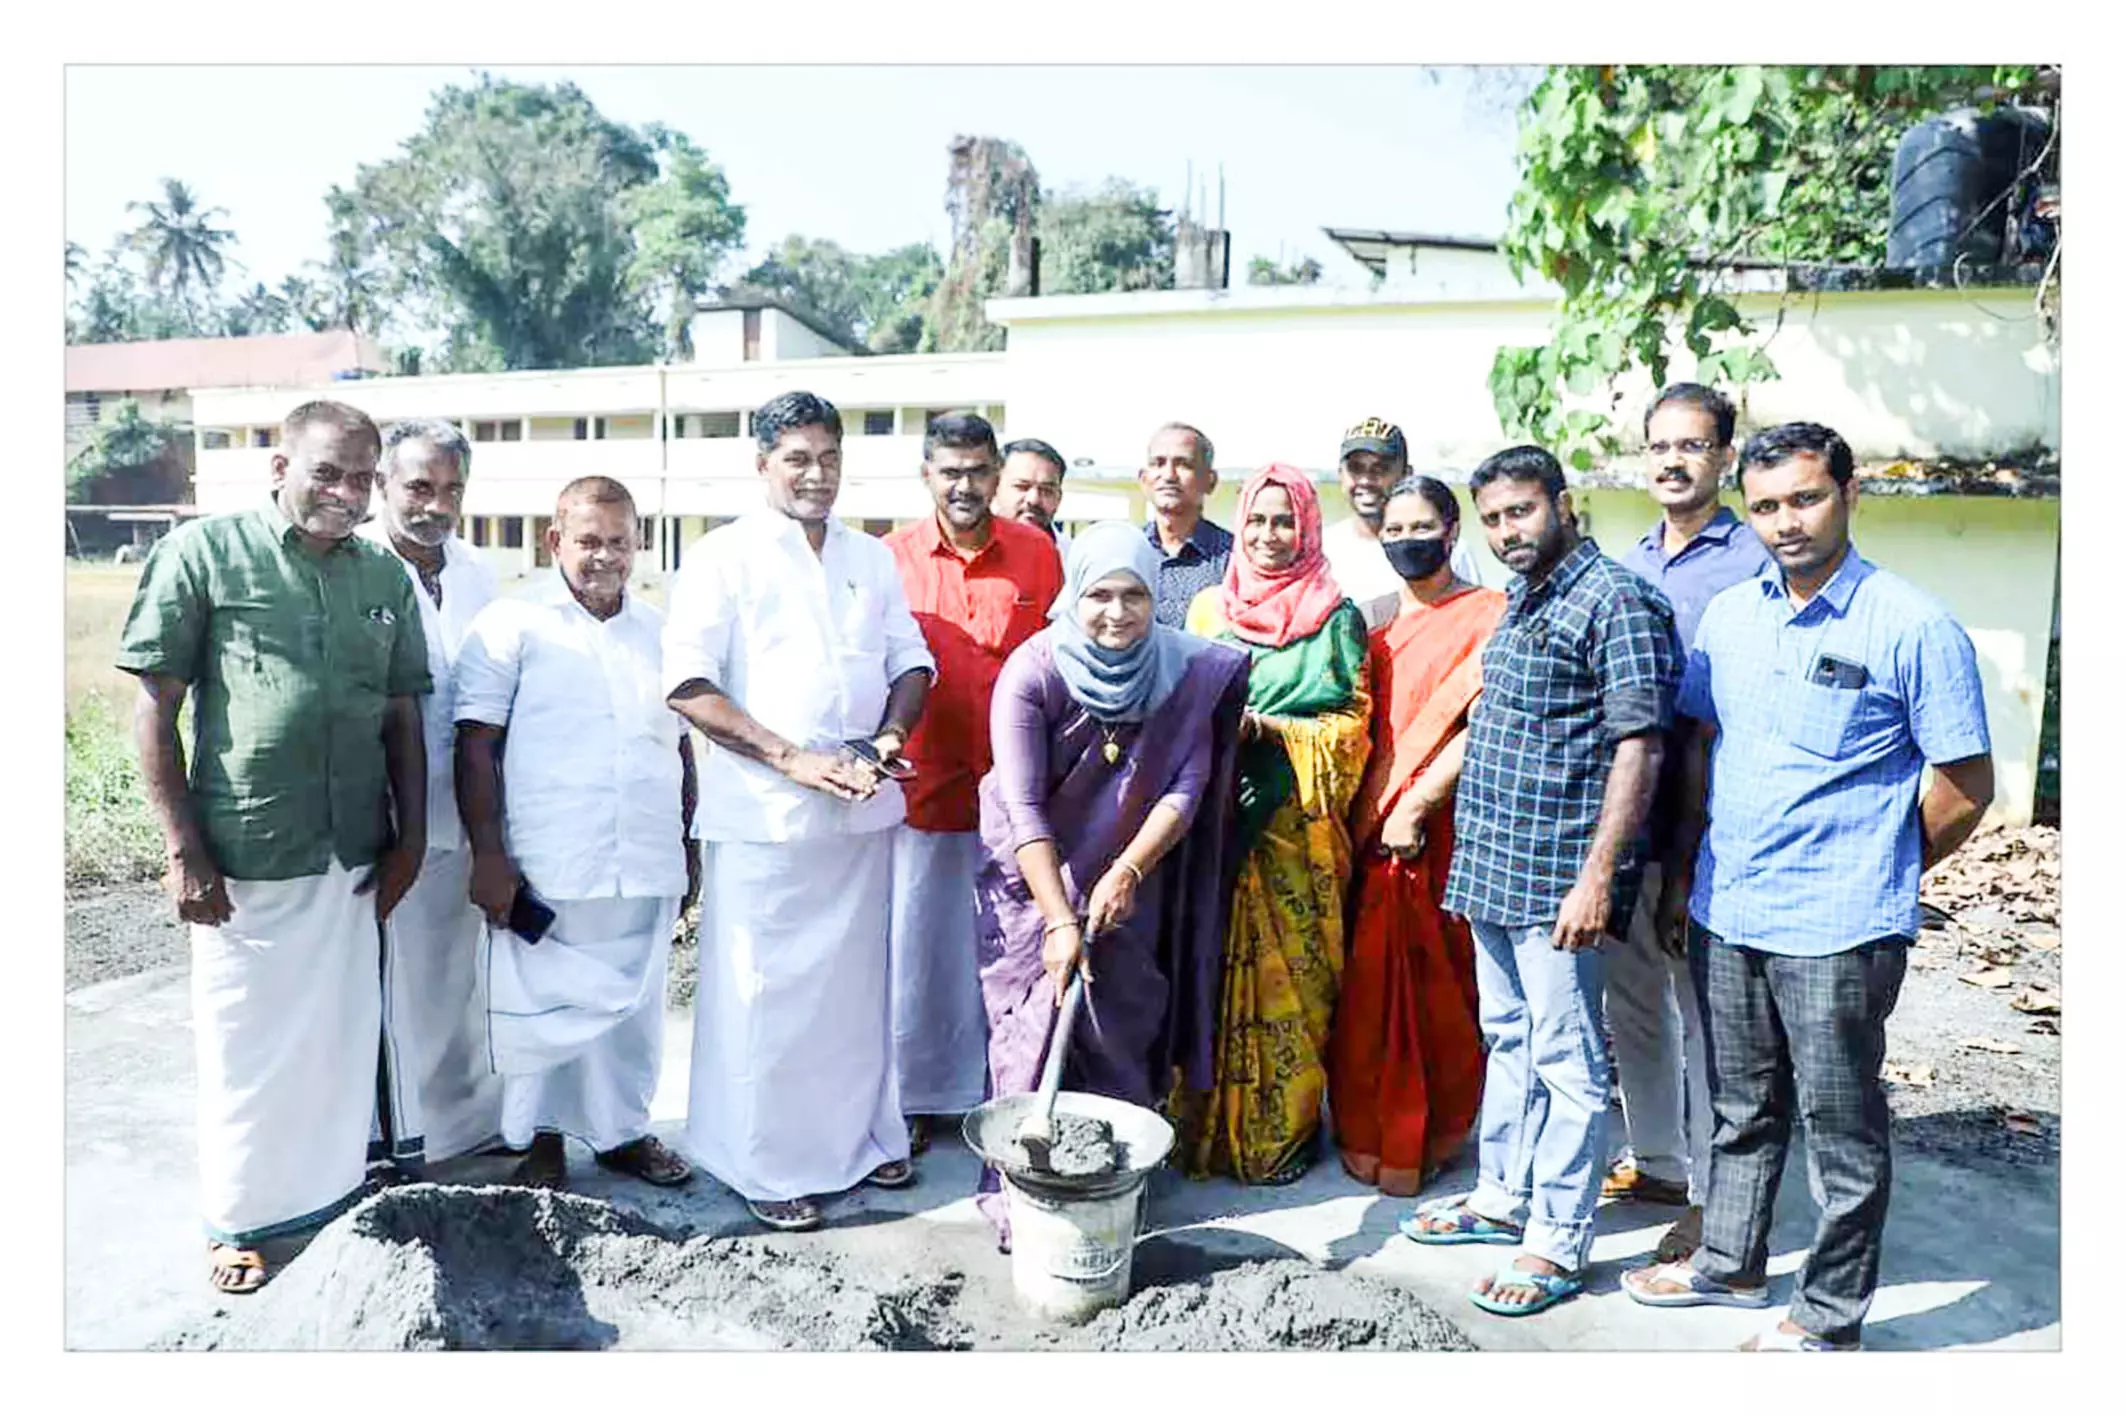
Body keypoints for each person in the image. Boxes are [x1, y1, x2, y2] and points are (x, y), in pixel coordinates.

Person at [1623, 423, 1995, 1352]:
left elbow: (1966, 784)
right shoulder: (1732, 619)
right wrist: (1688, 875)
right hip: (1729, 906)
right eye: (1766, 506)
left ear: (1850, 493)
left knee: (1841, 1126)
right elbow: (1704, 746)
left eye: (1805, 498)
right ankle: (1731, 1264)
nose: (1786, 522)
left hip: (1838, 924)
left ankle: (1828, 1317)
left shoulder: (1910, 625)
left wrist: (1882, 865)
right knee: (1741, 1109)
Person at [115, 400, 430, 1294]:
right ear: (278, 464)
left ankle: (328, 1196)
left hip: (355, 850)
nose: (346, 493)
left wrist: (414, 835)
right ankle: (239, 1219)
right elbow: (155, 711)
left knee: (335, 1038)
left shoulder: (382, 575)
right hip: (247, 849)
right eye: (327, 472)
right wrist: (183, 848)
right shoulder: (205, 554)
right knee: (245, 1043)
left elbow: (402, 712)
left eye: (363, 478)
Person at [1403, 444, 1678, 1320]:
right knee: (1510, 1039)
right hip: (1495, 864)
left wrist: (1598, 877)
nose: (1506, 531)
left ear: (1564, 503)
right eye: (1492, 518)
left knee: (1569, 1063)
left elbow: (1641, 744)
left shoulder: (1617, 601)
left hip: (1561, 875)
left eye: (1521, 511)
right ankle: (1499, 1199)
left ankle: (1558, 1242)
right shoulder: (1526, 594)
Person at [665, 391, 936, 1232]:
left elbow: (911, 663)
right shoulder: (723, 557)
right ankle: (764, 1164)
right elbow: (688, 685)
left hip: (859, 817)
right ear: (763, 465)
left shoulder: (870, 557)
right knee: (766, 1002)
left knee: (855, 999)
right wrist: (795, 761)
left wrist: (885, 744)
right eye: (799, 459)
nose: (817, 474)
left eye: (829, 457)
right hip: (765, 825)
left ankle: (861, 1139)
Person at [974, 521, 1250, 1247]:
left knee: (1121, 1016)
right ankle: (1023, 1198)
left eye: (1134, 595)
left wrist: (1128, 869)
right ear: (1074, 594)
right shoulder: (1031, 674)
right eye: (1099, 594)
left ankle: (1112, 1186)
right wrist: (1061, 921)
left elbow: (1185, 788)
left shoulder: (1184, 672)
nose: (1117, 612)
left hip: (1133, 868)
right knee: (1033, 1021)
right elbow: (1023, 804)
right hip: (1037, 872)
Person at [453, 477, 696, 1192]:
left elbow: (680, 746)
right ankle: (538, 1140)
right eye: (588, 541)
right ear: (555, 541)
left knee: (634, 1014)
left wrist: (688, 845)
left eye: (619, 541)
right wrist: (489, 856)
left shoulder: (659, 633)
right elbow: (475, 745)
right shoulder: (511, 624)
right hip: (550, 857)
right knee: (540, 1012)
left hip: (644, 854)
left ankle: (624, 1134)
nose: (604, 557)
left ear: (639, 544)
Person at [1604, 384, 1773, 1261]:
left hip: (1713, 814)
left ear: (1724, 458)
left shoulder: (1756, 558)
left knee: (1706, 1009)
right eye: (1660, 446)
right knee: (1632, 995)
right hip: (1629, 811)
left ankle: (1716, 1194)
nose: (1672, 461)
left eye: (1692, 446)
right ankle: (1660, 1160)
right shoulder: (1626, 561)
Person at [1174, 466, 1372, 1186]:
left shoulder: (1336, 616)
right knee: (1204, 971)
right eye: (1256, 520)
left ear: (1308, 529)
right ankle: (1200, 1132)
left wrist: (1274, 731)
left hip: (1297, 833)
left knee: (1296, 984)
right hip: (1214, 825)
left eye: (1284, 522)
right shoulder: (1205, 610)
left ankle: (1277, 1139)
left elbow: (1354, 726)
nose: (1267, 536)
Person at [884, 414, 1064, 1153]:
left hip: (1018, 795)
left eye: (977, 471)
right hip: (924, 791)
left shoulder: (1037, 553)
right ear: (926, 473)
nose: (964, 486)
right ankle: (916, 1101)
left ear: (997, 473)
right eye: (949, 471)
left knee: (1008, 949)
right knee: (921, 955)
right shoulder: (888, 558)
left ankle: (999, 1092)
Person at [1329, 474, 1505, 1196]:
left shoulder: (1491, 615)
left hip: (1448, 832)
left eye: (1420, 527)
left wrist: (1422, 801)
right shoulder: (1370, 628)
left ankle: (1432, 1133)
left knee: (1440, 994)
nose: (1406, 541)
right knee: (1371, 995)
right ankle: (1371, 1133)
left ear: (1452, 530)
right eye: (1394, 530)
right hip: (1375, 837)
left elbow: (1487, 719)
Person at [358, 418, 505, 1174]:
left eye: (451, 488)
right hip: (386, 814)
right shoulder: (357, 566)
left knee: (460, 971)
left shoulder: (480, 572)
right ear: (382, 484)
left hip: (469, 808)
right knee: (393, 979)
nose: (435, 504)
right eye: (419, 486)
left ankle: (465, 1128)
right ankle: (392, 1142)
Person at [1320, 417, 1482, 629]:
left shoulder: (1443, 547)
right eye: (1356, 469)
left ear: (1406, 474)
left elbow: (1473, 620)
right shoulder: (1319, 550)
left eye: (1380, 469)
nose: (1366, 480)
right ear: (1341, 475)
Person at [1138, 422, 1233, 628]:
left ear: (1210, 481)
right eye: (1158, 463)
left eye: (1184, 464)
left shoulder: (1234, 558)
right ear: (1143, 479)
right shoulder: (1127, 550)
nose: (1169, 475)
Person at [994, 436, 1073, 558]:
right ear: (994, 488)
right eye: (1022, 487)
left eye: (1046, 490)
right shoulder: (967, 552)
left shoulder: (1072, 558)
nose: (1034, 499)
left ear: (1058, 498)